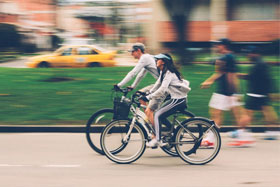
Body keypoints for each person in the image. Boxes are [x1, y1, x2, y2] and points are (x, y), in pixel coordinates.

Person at [200, 38, 254, 147]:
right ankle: (243, 137)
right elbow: (221, 73)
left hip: (226, 92)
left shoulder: (228, 57)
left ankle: (212, 139)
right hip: (227, 92)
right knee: (223, 114)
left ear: (224, 46)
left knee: (220, 114)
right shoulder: (228, 57)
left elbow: (231, 75)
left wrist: (233, 93)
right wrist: (209, 81)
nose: (216, 47)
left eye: (218, 45)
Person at [143, 53, 191, 148]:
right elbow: (158, 84)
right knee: (160, 115)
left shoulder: (169, 73)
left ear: (163, 62)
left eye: (158, 59)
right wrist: (148, 93)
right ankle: (173, 133)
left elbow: (163, 89)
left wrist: (149, 97)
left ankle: (157, 139)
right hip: (175, 99)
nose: (156, 61)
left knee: (156, 115)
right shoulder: (163, 72)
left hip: (178, 100)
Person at [114, 43, 168, 121]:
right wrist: (133, 86)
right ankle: (150, 119)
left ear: (138, 50)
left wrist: (119, 85)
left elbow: (133, 73)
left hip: (164, 86)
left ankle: (154, 126)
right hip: (161, 84)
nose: (131, 54)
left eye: (133, 52)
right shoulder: (147, 58)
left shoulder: (144, 58)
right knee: (139, 95)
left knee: (149, 108)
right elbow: (140, 75)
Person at [239, 46, 279, 140]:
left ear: (255, 53)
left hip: (255, 94)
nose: (248, 55)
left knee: (246, 114)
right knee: (268, 113)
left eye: (249, 53)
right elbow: (268, 79)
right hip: (262, 94)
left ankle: (240, 132)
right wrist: (271, 92)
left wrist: (240, 76)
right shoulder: (261, 63)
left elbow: (252, 77)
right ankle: (271, 133)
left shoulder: (259, 64)